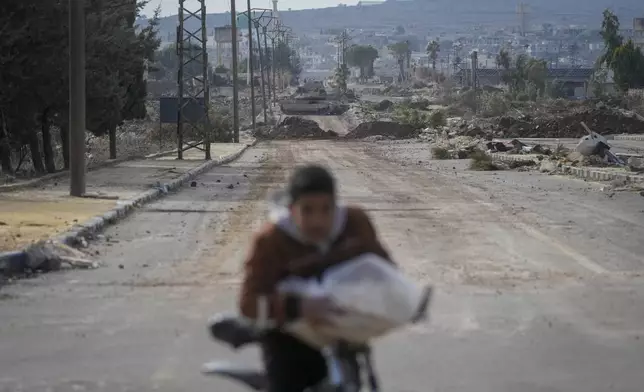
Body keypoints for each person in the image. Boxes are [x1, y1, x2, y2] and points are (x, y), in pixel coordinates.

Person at [238, 163, 393, 392]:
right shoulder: (271, 240)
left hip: (343, 331)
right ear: (292, 209)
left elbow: (384, 270)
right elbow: (249, 304)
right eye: (307, 210)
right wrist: (300, 307)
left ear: (335, 205)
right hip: (289, 337)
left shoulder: (354, 223)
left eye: (326, 209)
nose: (318, 221)